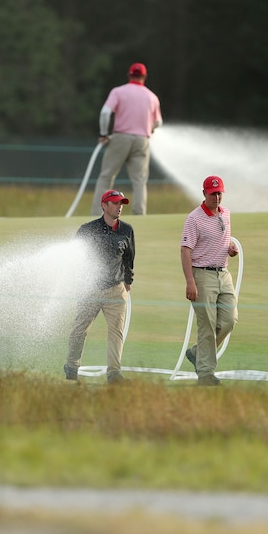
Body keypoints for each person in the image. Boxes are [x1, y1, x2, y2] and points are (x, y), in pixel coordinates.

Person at [64, 189, 136, 385]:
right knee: (80, 330)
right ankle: (71, 366)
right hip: (90, 288)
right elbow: (74, 259)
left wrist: (128, 281)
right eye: (115, 203)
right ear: (104, 205)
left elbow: (129, 259)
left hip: (116, 289)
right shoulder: (87, 229)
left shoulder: (127, 230)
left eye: (121, 203)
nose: (119, 207)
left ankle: (114, 374)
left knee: (116, 332)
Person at [180, 176, 239, 386]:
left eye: (220, 193)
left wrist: (230, 248)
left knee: (229, 320)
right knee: (207, 325)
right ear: (204, 193)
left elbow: (222, 240)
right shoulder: (194, 219)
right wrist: (190, 282)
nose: (217, 197)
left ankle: (197, 353)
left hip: (224, 274)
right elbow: (186, 250)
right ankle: (205, 374)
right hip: (202, 275)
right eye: (213, 193)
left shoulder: (226, 214)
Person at [90, 62, 163, 216]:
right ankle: (139, 216)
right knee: (139, 181)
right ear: (144, 76)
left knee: (106, 177)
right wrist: (149, 128)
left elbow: (105, 113)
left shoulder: (118, 92)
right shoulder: (152, 97)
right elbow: (158, 123)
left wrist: (103, 134)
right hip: (142, 140)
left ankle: (98, 214)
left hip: (120, 137)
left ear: (129, 75)